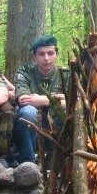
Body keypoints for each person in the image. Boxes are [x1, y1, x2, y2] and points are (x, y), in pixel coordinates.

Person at [13, 35, 69, 164]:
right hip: (33, 123)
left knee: (68, 113)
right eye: (41, 54)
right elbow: (24, 100)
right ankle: (28, 162)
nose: (46, 58)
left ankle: (62, 159)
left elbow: (73, 102)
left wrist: (43, 100)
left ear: (56, 54)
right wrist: (60, 98)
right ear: (35, 56)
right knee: (28, 112)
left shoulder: (66, 74)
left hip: (57, 123)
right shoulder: (25, 72)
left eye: (50, 53)